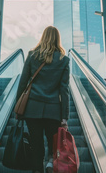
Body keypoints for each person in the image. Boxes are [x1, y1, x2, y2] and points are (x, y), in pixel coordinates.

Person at [15, 26, 70, 173]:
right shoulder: (64, 60)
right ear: (58, 39)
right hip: (53, 111)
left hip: (32, 109)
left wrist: (17, 107)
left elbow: (23, 83)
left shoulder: (32, 55)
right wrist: (65, 117)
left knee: (36, 144)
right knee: (53, 145)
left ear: (43, 37)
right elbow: (64, 90)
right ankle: (51, 163)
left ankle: (37, 169)